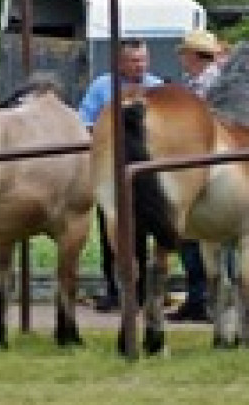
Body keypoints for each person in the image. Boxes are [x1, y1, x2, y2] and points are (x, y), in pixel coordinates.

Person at [76, 38, 163, 313]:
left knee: (151, 231)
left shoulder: (157, 86)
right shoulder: (102, 87)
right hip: (113, 171)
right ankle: (116, 290)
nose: (140, 66)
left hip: (151, 173)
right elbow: (86, 122)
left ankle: (146, 292)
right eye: (134, 61)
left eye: (143, 60)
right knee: (111, 233)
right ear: (119, 62)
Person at [167, 29, 225, 323]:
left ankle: (201, 297)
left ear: (192, 55)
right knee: (189, 233)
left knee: (195, 231)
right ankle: (198, 296)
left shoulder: (207, 84)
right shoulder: (195, 82)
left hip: (204, 159)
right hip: (197, 158)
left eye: (184, 54)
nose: (182, 59)